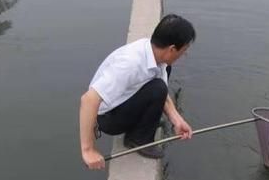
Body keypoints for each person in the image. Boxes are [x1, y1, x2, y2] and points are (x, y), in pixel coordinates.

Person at [80, 14, 196, 170]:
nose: (184, 55)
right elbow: (88, 100)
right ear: (172, 49)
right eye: (184, 50)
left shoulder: (156, 56)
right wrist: (88, 150)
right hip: (108, 118)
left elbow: (163, 93)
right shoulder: (130, 64)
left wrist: (177, 120)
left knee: (161, 82)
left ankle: (142, 126)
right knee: (157, 88)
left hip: (123, 102)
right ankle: (137, 139)